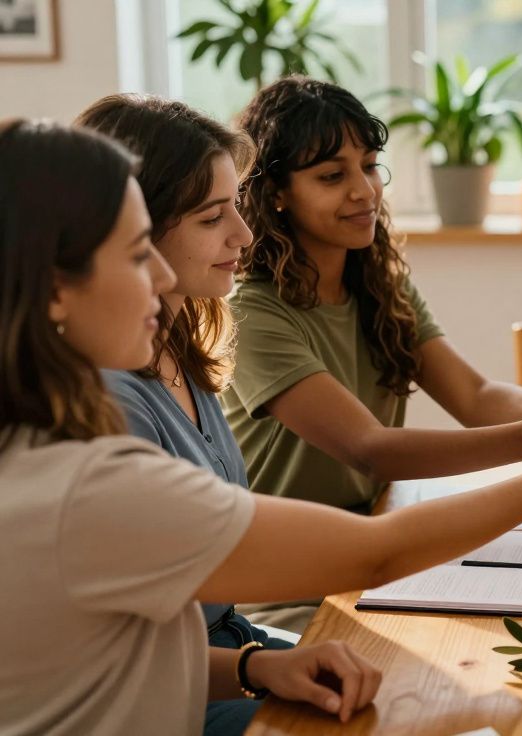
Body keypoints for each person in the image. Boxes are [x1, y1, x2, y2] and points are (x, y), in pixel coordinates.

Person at [0, 118, 522, 735]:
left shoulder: (59, 438)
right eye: (135, 252)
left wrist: (253, 667)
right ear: (53, 285)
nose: (158, 276)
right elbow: (372, 548)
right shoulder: (89, 475)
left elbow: (131, 656)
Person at [222, 77, 522, 630]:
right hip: (287, 578)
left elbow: (476, 396)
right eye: (332, 176)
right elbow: (370, 449)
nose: (364, 192)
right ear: (275, 191)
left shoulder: (377, 284)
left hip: (374, 546)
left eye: (370, 166)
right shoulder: (252, 311)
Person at [74, 93, 301, 735]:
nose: (244, 235)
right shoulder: (111, 398)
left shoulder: (180, 349)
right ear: (133, 229)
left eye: (238, 207)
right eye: (210, 218)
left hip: (228, 652)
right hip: (170, 696)